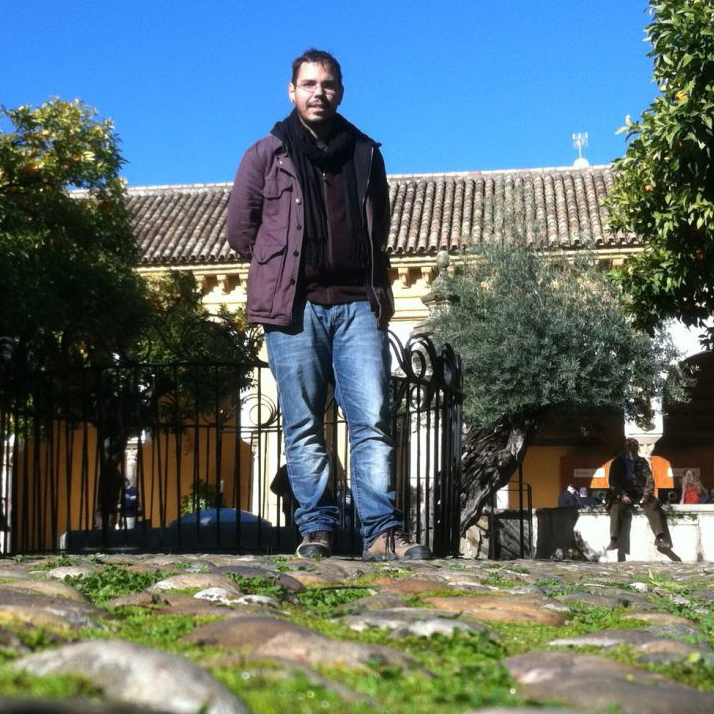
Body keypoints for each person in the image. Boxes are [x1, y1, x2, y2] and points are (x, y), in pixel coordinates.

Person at [226, 49, 430, 561]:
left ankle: (381, 532)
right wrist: (280, 269)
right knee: (302, 423)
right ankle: (316, 528)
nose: (320, 92)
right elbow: (239, 229)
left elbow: (377, 223)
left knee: (372, 419)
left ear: (341, 91)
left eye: (329, 84)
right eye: (309, 84)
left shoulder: (365, 151)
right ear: (292, 91)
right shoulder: (264, 154)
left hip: (358, 302)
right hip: (294, 308)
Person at [606, 438, 670, 550]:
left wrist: (646, 495)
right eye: (630, 447)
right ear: (626, 448)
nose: (632, 450)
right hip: (623, 491)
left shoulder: (642, 462)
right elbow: (613, 482)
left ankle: (659, 538)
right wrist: (622, 495)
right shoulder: (617, 462)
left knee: (653, 504)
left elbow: (649, 479)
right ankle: (614, 539)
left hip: (639, 491)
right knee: (616, 507)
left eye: (634, 448)